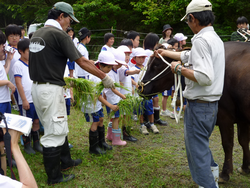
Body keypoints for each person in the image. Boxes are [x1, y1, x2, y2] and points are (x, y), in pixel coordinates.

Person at [29, 1, 115, 185]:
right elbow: (81, 61)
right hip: (50, 88)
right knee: (54, 132)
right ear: (61, 16)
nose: (70, 24)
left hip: (37, 87)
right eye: (70, 20)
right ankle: (54, 177)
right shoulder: (58, 34)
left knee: (57, 125)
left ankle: (66, 161)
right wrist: (104, 77)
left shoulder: (38, 34)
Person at [156, 0, 224, 187]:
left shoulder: (201, 41)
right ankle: (214, 180)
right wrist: (166, 52)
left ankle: (208, 185)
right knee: (202, 148)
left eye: (187, 21)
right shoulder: (214, 39)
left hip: (199, 106)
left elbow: (204, 76)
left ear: (192, 18)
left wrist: (179, 69)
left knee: (197, 153)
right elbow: (188, 56)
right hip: (211, 106)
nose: (188, 24)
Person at [82, 51, 118, 154]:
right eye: (108, 68)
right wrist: (110, 105)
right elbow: (97, 96)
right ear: (101, 65)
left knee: (101, 119)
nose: (110, 70)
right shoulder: (94, 77)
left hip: (96, 104)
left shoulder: (100, 73)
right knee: (96, 122)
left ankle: (101, 142)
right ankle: (93, 148)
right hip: (91, 104)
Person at [13, 38, 43, 154]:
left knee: (36, 121)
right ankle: (27, 145)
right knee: (27, 123)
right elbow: (19, 84)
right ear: (21, 51)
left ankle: (36, 143)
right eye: (28, 51)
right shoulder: (18, 65)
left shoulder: (33, 64)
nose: (31, 54)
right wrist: (24, 100)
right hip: (26, 100)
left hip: (35, 98)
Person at [130, 47, 159, 135]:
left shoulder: (147, 68)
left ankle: (152, 124)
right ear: (134, 58)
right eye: (139, 57)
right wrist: (135, 84)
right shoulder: (132, 69)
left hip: (147, 93)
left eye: (143, 57)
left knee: (150, 108)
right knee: (140, 110)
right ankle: (142, 125)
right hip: (138, 94)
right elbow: (130, 79)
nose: (141, 59)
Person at [143, 33, 168, 126]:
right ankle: (151, 119)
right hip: (150, 79)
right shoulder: (151, 53)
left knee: (154, 99)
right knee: (152, 99)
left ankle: (153, 118)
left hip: (149, 78)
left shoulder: (146, 52)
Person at [104, 49, 127, 146]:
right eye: (118, 64)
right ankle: (116, 140)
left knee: (114, 117)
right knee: (117, 117)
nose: (120, 66)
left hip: (113, 98)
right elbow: (112, 88)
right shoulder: (110, 73)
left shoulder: (115, 71)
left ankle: (110, 135)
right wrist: (122, 95)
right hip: (112, 99)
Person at [5, 24, 21, 111]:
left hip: (28, 82)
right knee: (22, 108)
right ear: (7, 37)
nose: (14, 38)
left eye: (16, 35)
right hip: (15, 84)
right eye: (11, 36)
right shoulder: (7, 51)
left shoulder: (24, 48)